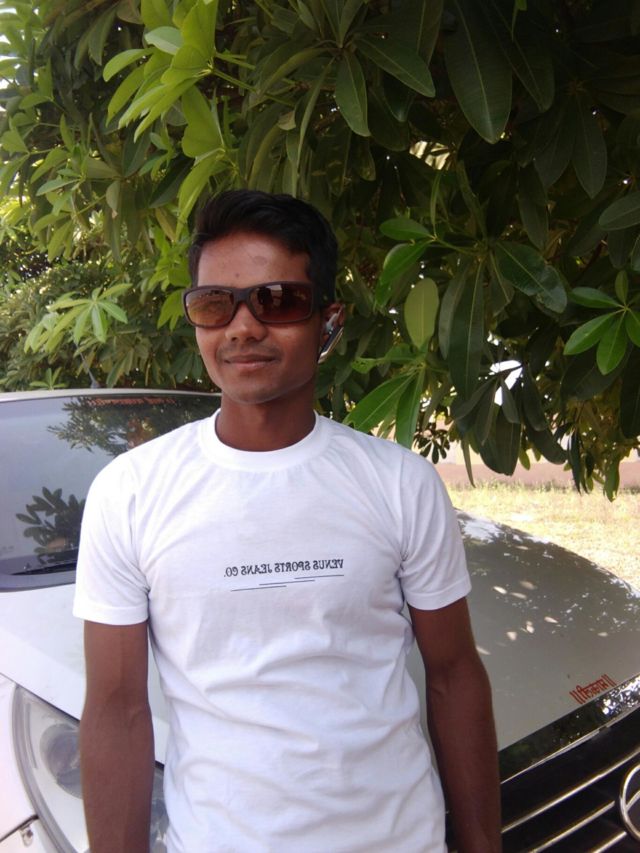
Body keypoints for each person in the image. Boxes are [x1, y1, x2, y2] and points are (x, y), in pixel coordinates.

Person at [74, 189, 501, 853]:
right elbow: (117, 709)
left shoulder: (399, 483)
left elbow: (453, 675)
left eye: (276, 300)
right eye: (215, 304)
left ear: (329, 322)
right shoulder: (130, 492)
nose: (242, 328)